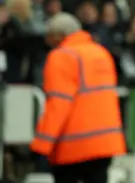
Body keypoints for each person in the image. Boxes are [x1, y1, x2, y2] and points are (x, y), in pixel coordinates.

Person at [30, 13, 126, 183]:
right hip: (105, 143)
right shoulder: (101, 53)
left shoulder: (61, 57)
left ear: (58, 36)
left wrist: (41, 145)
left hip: (73, 146)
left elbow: (58, 104)